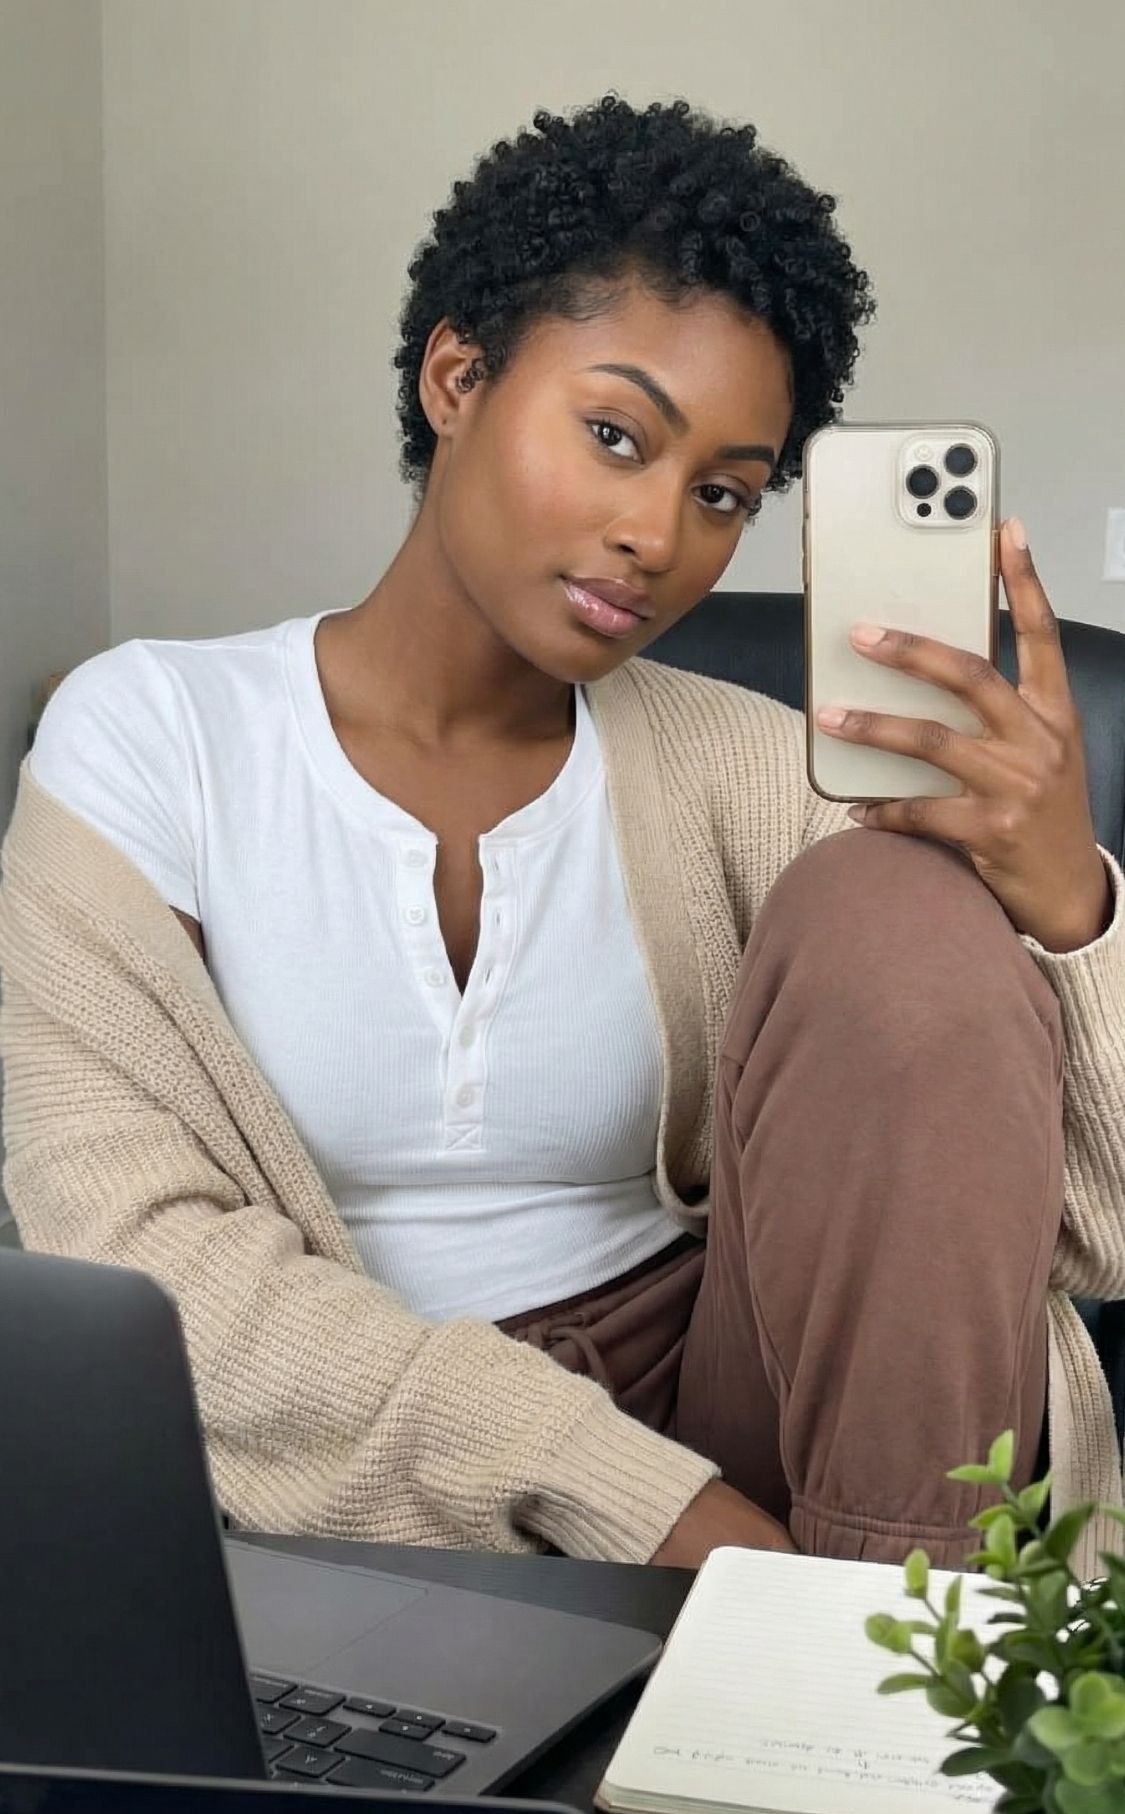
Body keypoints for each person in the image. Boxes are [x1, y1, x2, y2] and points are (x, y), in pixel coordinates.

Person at [2, 97, 1123, 1575]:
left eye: (721, 492)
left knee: (898, 904)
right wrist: (622, 1494)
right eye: (614, 436)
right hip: (340, 1460)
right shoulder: (155, 733)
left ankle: (881, 1665)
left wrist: (1063, 907)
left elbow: (1073, 1231)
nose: (660, 535)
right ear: (457, 374)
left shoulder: (759, 774)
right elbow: (124, 1251)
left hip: (754, 1411)